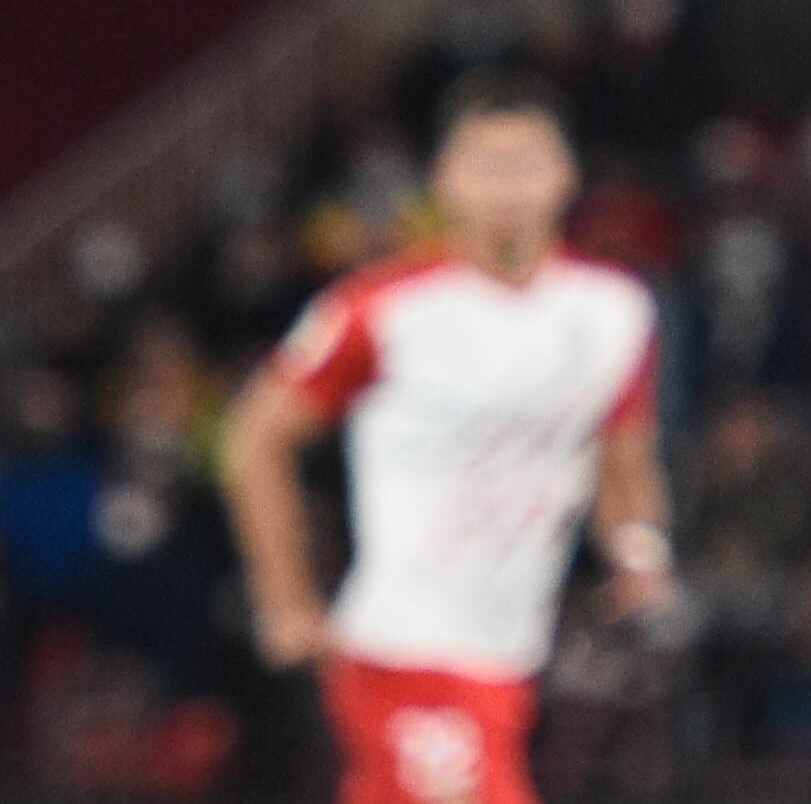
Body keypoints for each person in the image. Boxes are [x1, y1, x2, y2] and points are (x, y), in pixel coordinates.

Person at [222, 69, 671, 804]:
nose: (508, 186)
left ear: (566, 175)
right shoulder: (384, 309)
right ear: (445, 180)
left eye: (526, 162)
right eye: (485, 165)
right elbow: (255, 436)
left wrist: (639, 550)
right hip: (406, 647)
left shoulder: (612, 311)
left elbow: (623, 450)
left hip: (511, 648)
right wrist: (284, 599)